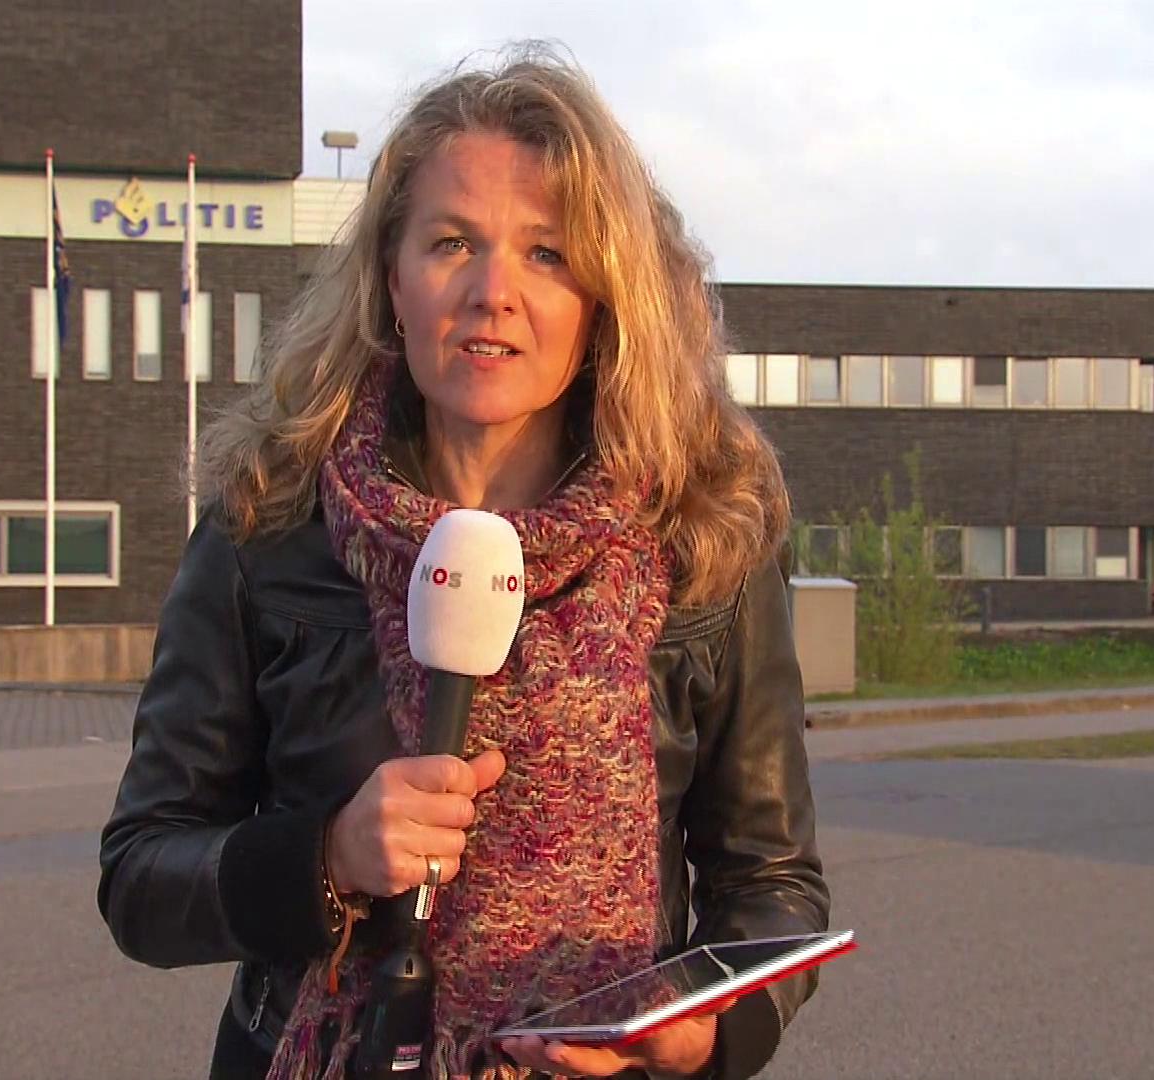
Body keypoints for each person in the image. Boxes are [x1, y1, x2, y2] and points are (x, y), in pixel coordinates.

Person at [99, 44, 828, 1080]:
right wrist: (326, 856)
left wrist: (710, 1030)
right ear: (391, 281)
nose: (494, 292)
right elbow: (142, 874)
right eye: (452, 243)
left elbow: (773, 883)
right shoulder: (268, 522)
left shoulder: (706, 534)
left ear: (604, 298)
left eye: (548, 254)